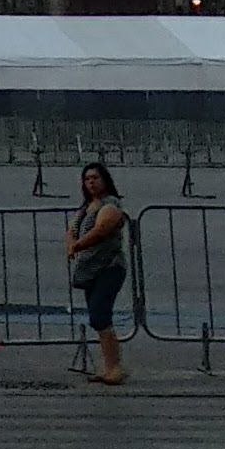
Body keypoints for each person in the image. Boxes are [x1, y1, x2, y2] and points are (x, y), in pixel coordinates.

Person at [64, 162, 130, 386]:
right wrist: (71, 243)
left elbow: (102, 229)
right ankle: (110, 366)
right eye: (87, 179)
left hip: (109, 267)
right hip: (90, 270)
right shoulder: (86, 207)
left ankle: (115, 368)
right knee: (98, 317)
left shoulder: (110, 204)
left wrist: (78, 245)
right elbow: (71, 229)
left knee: (100, 314)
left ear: (105, 180)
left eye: (95, 178)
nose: (91, 182)